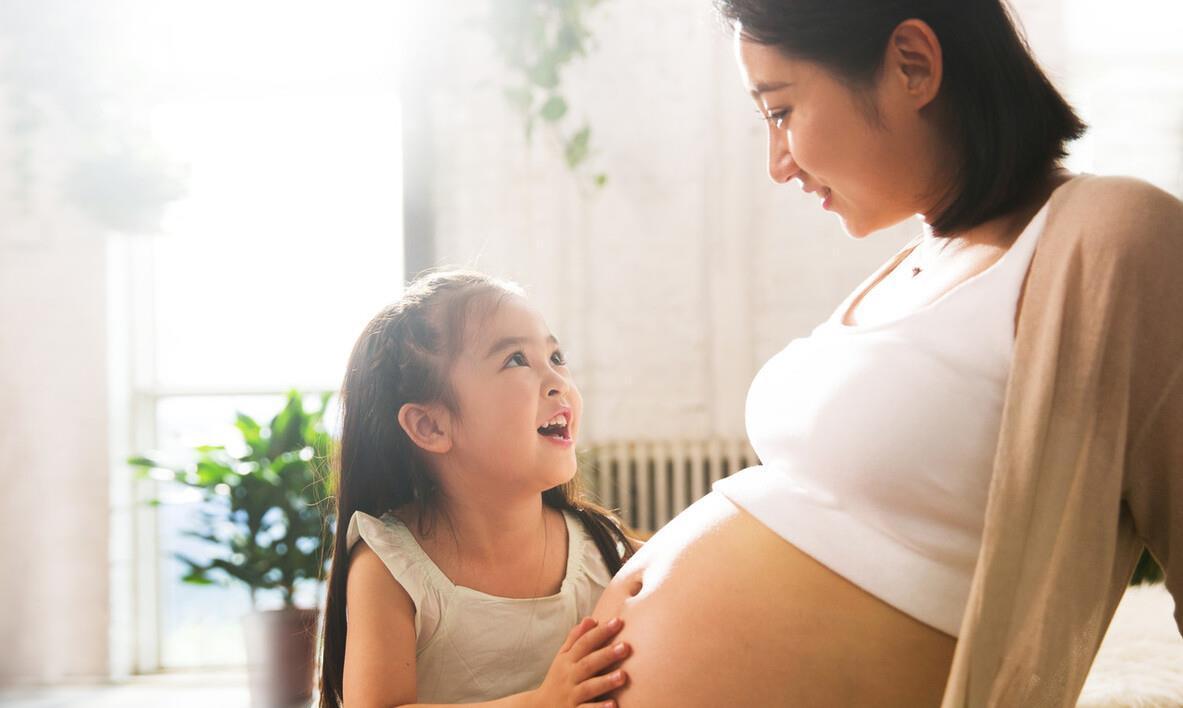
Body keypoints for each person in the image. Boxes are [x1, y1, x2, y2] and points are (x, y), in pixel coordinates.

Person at [589, 1, 1183, 706]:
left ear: (912, 64)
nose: (776, 165)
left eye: (779, 111)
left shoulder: (1113, 236)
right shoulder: (915, 259)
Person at [317, 270, 637, 708]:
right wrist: (541, 702)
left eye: (556, 357)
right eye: (516, 360)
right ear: (430, 425)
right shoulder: (392, 566)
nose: (558, 381)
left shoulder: (603, 548)